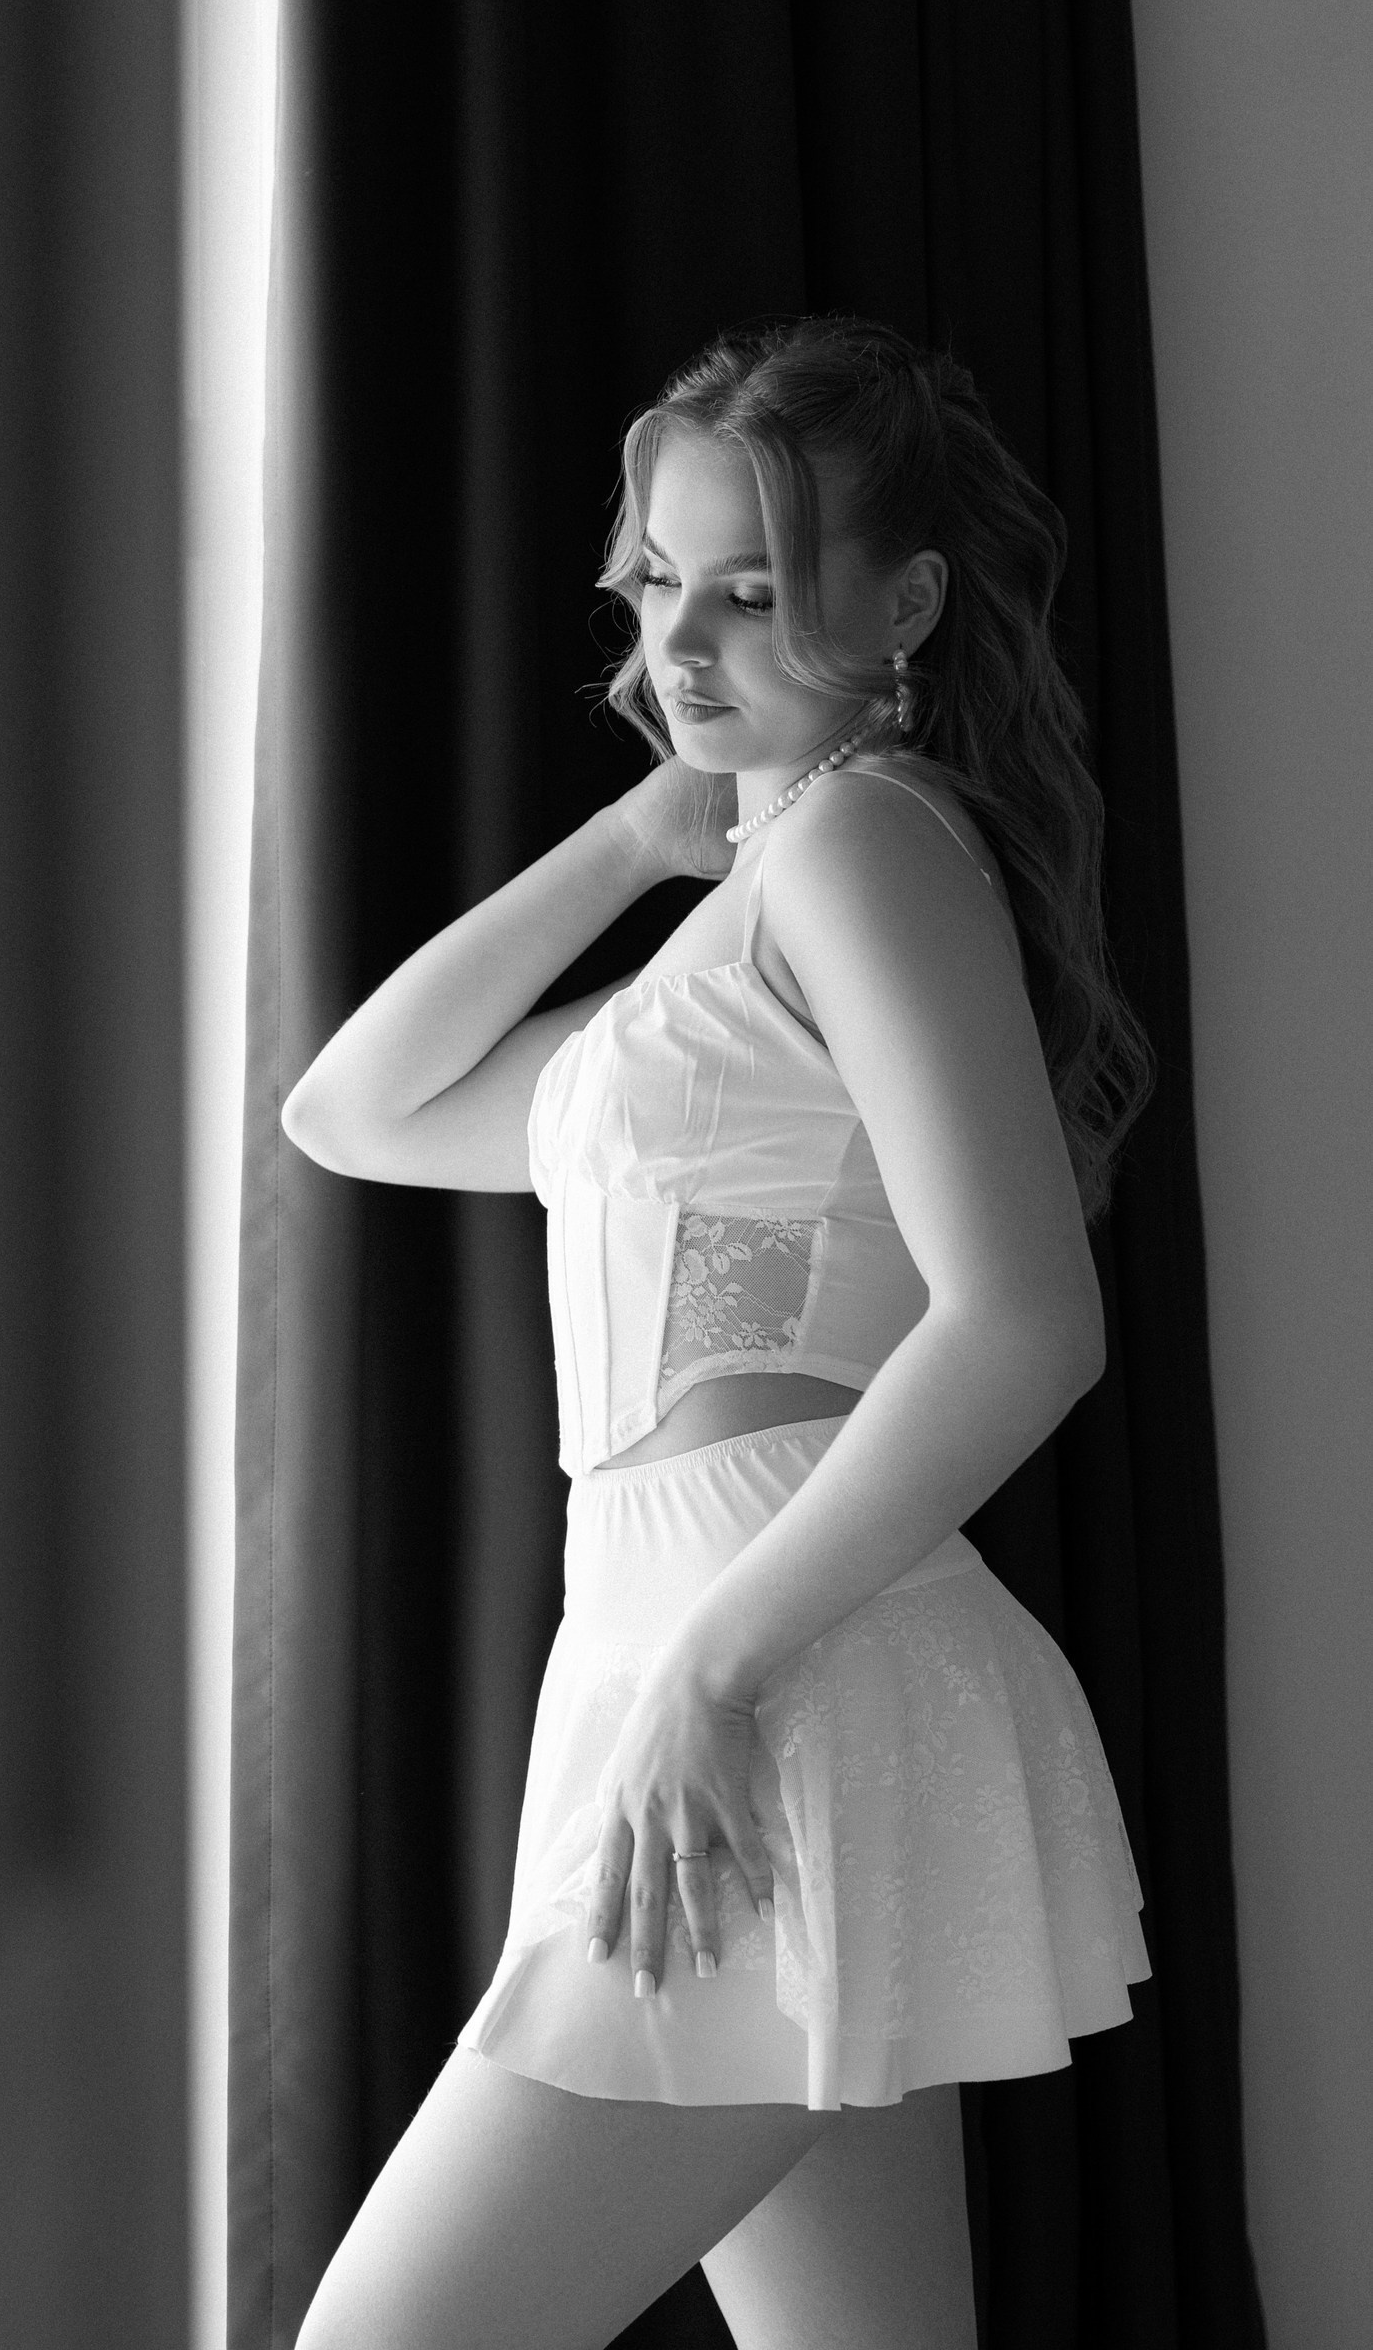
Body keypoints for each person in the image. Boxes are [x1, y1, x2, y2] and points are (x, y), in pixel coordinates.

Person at [280, 315, 1154, 2350]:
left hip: (767, 1667)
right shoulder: (752, 906)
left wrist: (716, 1667)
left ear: (902, 604)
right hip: (710, 1657)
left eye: (749, 592)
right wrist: (637, 835)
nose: (680, 641)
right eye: (659, 580)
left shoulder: (857, 842)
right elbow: (352, 1112)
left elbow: (1025, 1320)